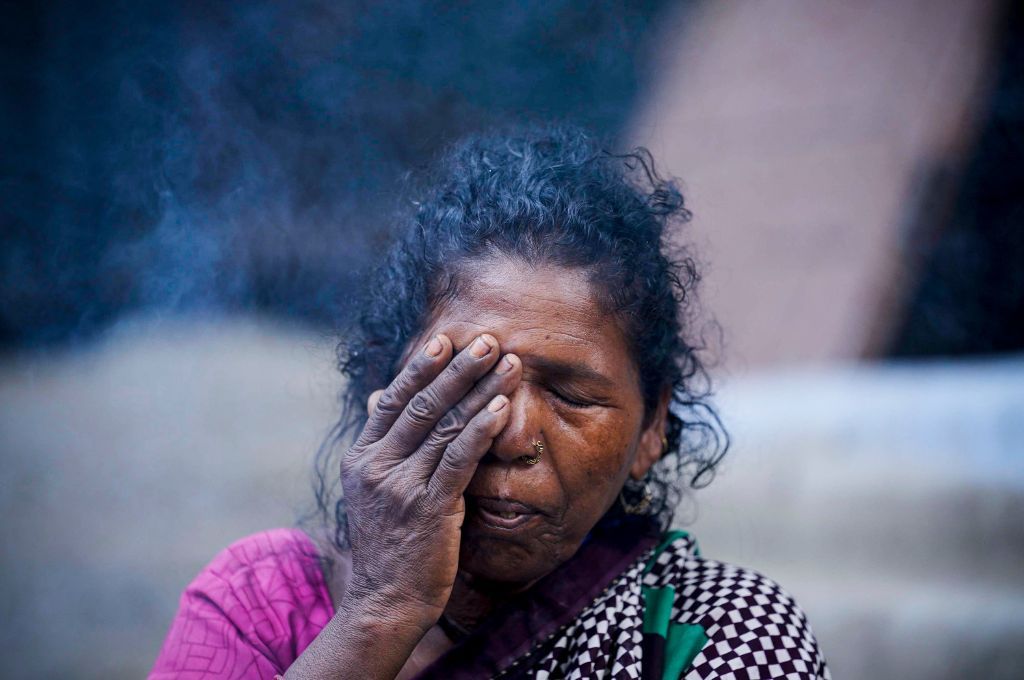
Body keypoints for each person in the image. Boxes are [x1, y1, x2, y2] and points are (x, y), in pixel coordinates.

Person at [150, 125, 831, 679]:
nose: (511, 434)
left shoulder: (716, 633)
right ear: (385, 396)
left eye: (569, 394)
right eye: (470, 385)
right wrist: (382, 613)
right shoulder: (260, 602)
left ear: (652, 426)